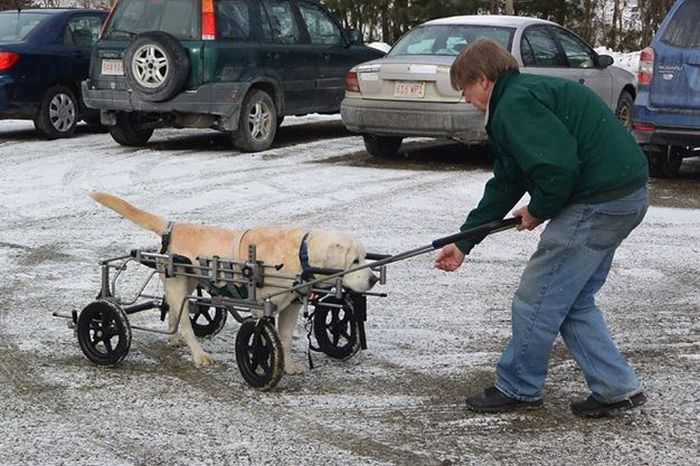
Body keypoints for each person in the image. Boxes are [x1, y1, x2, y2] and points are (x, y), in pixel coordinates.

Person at [435, 39, 649, 417]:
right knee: (570, 300)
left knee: (536, 298)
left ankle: (518, 386)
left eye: (465, 90)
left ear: (483, 80)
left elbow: (559, 168)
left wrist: (538, 209)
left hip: (598, 202)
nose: (466, 99)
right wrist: (464, 242)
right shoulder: (523, 95)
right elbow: (506, 182)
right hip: (624, 196)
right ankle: (617, 388)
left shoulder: (514, 105)